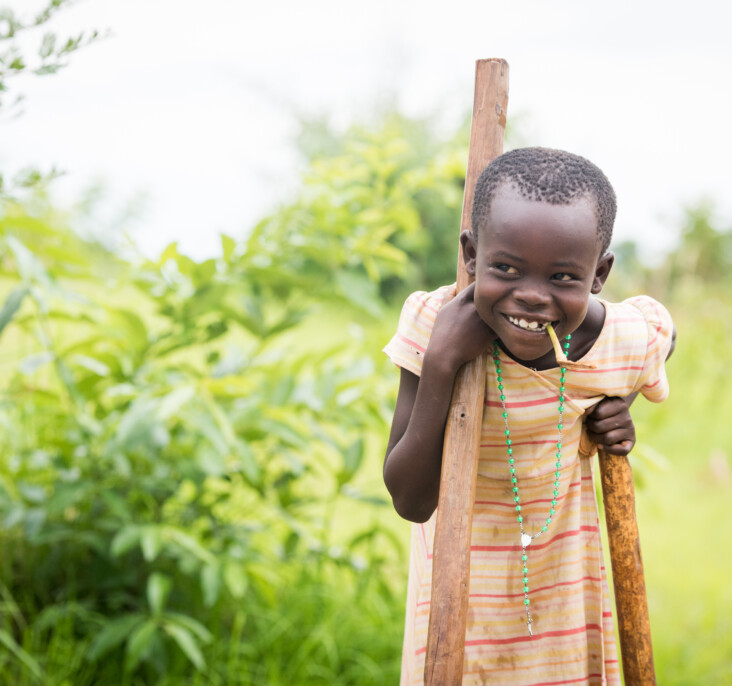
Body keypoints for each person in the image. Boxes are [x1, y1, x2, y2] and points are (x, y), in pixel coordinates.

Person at [382, 147, 676, 686]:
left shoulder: (611, 338)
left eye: (563, 276)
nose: (532, 297)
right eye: (506, 268)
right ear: (471, 255)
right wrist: (443, 363)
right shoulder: (434, 323)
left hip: (565, 603)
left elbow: (661, 331)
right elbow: (410, 499)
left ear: (599, 274)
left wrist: (615, 407)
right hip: (457, 606)